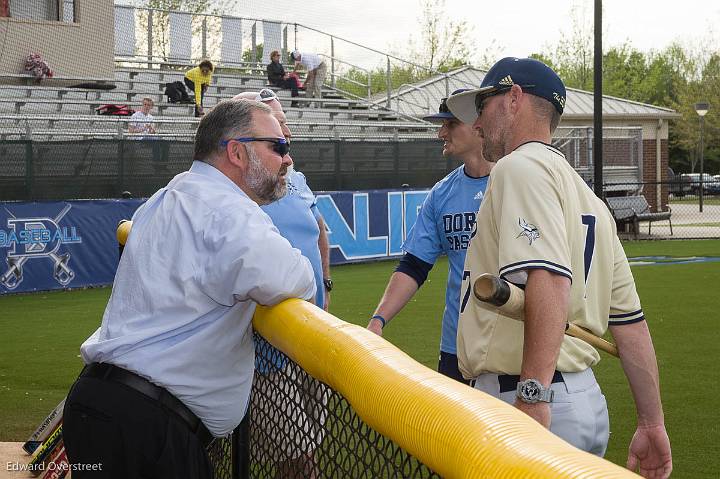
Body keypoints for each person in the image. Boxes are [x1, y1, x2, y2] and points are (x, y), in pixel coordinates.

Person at [62, 99, 316, 479]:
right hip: (149, 431)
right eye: (277, 146)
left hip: (96, 408)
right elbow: (298, 278)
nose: (287, 159)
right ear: (237, 152)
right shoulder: (228, 211)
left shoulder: (169, 193)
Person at [446, 57, 672, 477]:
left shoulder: (518, 167)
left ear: (514, 99)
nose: (476, 124)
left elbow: (549, 280)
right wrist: (651, 422)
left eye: (483, 107)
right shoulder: (591, 201)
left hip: (530, 397)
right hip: (583, 399)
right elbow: (630, 325)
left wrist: (533, 398)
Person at [366, 89, 493, 383]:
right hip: (456, 344)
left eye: (450, 124)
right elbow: (414, 266)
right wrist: (377, 321)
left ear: (478, 125)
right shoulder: (441, 192)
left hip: (506, 346)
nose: (440, 133)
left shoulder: (515, 182)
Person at [234, 88, 332, 311]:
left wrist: (325, 282)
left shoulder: (296, 177)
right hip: (267, 328)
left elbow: (318, 229)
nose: (287, 131)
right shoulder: (234, 188)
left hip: (311, 318)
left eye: (285, 122)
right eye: (277, 123)